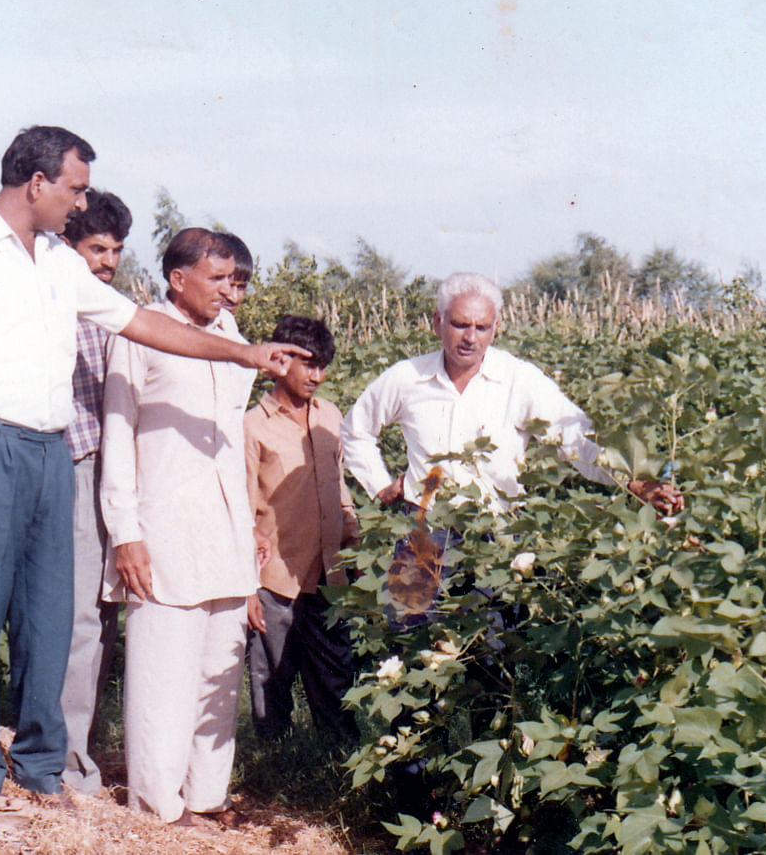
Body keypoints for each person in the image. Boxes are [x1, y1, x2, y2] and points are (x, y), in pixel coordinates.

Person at [0, 126, 302, 797]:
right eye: (75, 189)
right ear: (37, 182)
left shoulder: (58, 261)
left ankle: (41, 765)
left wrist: (240, 352)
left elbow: (140, 323)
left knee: (52, 615)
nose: (81, 205)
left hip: (52, 451)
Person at [98, 227, 266, 829]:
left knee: (218, 668)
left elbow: (229, 450)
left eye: (234, 280)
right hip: (162, 526)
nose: (230, 291)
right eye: (217, 279)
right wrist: (127, 533)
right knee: (161, 675)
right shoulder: (140, 334)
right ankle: (156, 804)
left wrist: (248, 543)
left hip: (224, 530)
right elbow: (117, 438)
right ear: (178, 278)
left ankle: (205, 797)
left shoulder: (234, 342)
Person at [340, 271, 683, 514]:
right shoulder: (407, 377)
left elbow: (573, 438)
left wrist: (633, 482)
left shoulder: (519, 379)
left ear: (495, 329)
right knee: (410, 617)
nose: (470, 338)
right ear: (437, 322)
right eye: (460, 324)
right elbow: (355, 430)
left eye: (481, 327)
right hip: (424, 527)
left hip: (498, 531)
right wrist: (380, 484)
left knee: (495, 619)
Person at [244, 315, 360, 744]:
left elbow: (338, 480)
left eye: (322, 366)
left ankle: (338, 761)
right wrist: (247, 587)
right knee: (271, 675)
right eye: (308, 365)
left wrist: (351, 527)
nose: (317, 376)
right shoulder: (253, 424)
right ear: (281, 362)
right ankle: (274, 765)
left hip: (329, 572)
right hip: (275, 575)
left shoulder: (329, 415)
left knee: (335, 675)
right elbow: (241, 505)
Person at [57, 188, 131, 796]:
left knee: (103, 618)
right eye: (96, 248)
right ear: (68, 244)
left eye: (115, 251)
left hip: (117, 473)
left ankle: (75, 747)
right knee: (81, 616)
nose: (106, 261)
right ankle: (65, 761)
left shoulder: (114, 309)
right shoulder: (58, 304)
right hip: (74, 465)